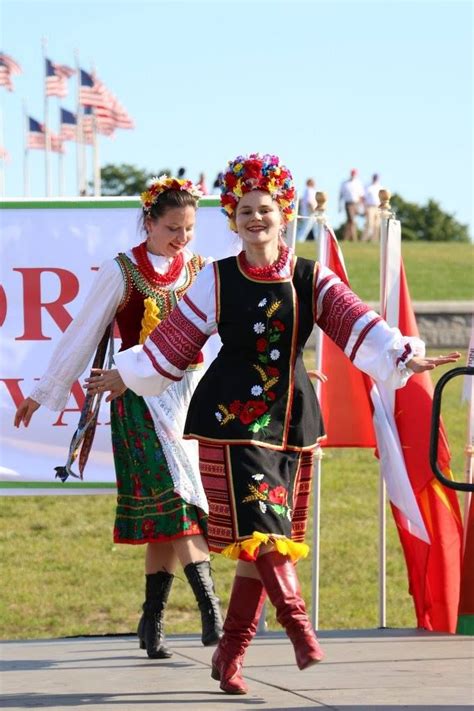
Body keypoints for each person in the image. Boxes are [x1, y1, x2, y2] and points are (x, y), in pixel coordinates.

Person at [87, 154, 460, 695]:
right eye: (244, 211)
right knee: (263, 530)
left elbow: (355, 320)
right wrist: (127, 372)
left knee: (267, 540)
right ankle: (297, 623)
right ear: (233, 219)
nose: (254, 219)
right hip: (230, 422)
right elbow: (174, 338)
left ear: (283, 214)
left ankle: (229, 655)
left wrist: (401, 354)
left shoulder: (309, 276)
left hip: (290, 421)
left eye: (264, 209)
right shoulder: (216, 278)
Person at [13, 175, 224, 660]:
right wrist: (45, 392)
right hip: (137, 401)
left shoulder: (201, 269)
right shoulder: (123, 270)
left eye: (189, 228)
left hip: (188, 397)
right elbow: (82, 332)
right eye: (173, 227)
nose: (181, 238)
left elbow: (227, 332)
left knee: (167, 516)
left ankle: (151, 621)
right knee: (177, 504)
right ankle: (211, 608)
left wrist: (279, 371)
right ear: (148, 222)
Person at [339, 168, 364, 241]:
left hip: (356, 203)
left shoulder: (358, 183)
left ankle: (345, 238)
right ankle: (354, 238)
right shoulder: (345, 183)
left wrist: (361, 205)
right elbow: (341, 195)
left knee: (350, 222)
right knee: (352, 221)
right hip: (348, 204)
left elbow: (361, 196)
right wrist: (339, 206)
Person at [362, 173, 382, 242]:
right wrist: (365, 208)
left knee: (377, 225)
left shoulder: (380, 187)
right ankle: (364, 240)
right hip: (370, 207)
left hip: (378, 207)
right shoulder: (368, 187)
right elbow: (363, 198)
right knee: (369, 224)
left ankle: (374, 240)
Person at [296, 177, 317, 242]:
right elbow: (310, 201)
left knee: (315, 228)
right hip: (310, 212)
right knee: (306, 228)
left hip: (308, 211)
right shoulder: (309, 190)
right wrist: (313, 210)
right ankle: (299, 240)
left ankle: (318, 240)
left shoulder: (307, 191)